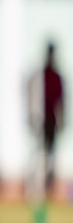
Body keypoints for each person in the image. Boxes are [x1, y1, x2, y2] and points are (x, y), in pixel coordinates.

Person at [37, 42, 64, 194]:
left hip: (51, 118)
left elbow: (61, 99)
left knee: (51, 153)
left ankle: (50, 185)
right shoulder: (43, 75)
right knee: (42, 152)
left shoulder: (55, 76)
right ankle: (40, 185)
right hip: (41, 119)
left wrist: (61, 119)